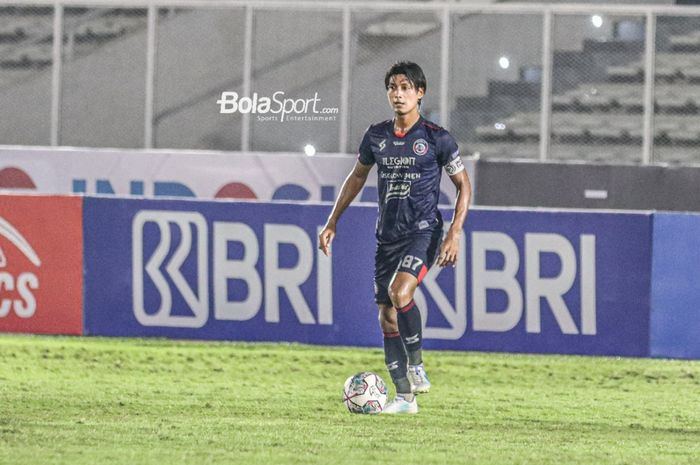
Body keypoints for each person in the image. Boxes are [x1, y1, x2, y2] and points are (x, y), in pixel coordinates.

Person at [318, 61, 471, 414]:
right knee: (386, 317)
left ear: (420, 93)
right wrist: (332, 222)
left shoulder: (437, 138)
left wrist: (454, 232)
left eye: (405, 87)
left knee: (400, 292)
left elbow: (464, 185)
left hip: (423, 231)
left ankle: (416, 365)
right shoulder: (377, 136)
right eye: (392, 87)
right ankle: (404, 399)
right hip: (387, 237)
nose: (398, 93)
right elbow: (356, 178)